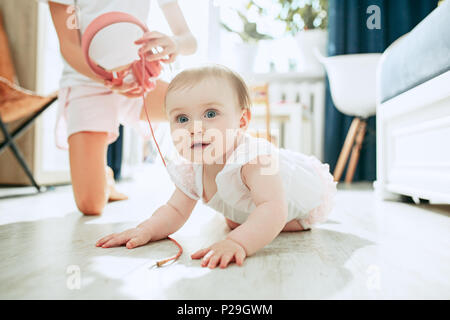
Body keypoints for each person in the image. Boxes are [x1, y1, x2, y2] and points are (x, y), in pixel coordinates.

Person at [96, 65, 337, 269]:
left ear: (241, 121)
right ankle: (244, 218)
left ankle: (280, 222)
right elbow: (175, 211)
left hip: (300, 196)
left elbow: (274, 209)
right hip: (259, 201)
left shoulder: (255, 159)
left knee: (272, 218)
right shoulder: (192, 169)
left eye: (210, 113)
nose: (194, 128)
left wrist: (238, 242)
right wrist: (146, 229)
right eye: (182, 119)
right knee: (236, 218)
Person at [47, 0, 197, 215]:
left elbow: (189, 40)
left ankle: (239, 176)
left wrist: (175, 43)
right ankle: (104, 175)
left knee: (200, 105)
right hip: (87, 84)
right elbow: (69, 46)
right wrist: (110, 80)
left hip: (139, 79)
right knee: (90, 205)